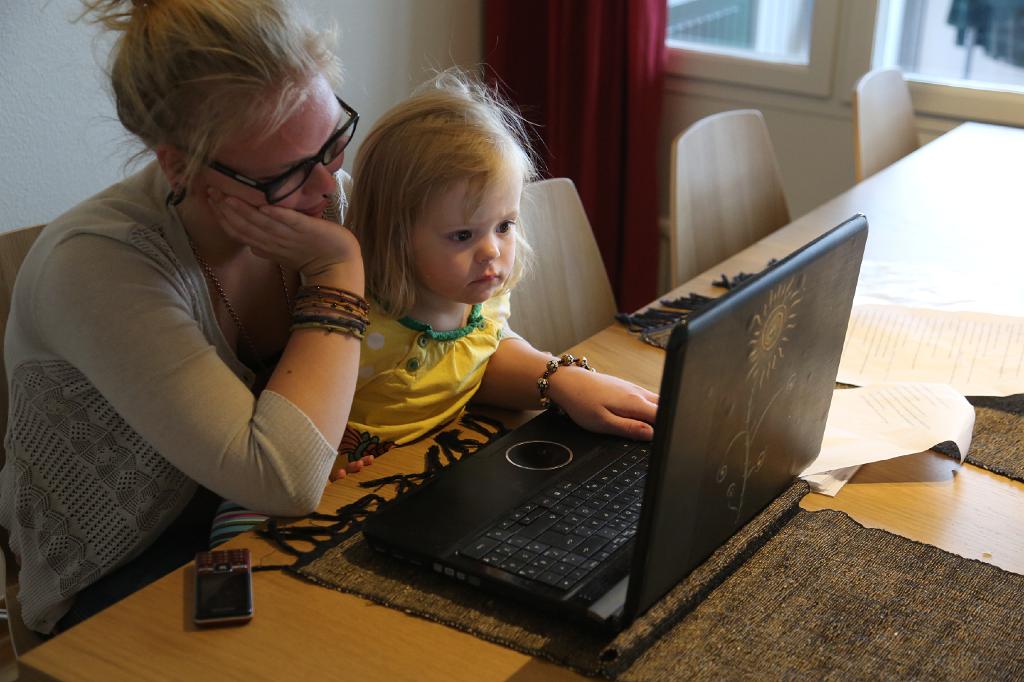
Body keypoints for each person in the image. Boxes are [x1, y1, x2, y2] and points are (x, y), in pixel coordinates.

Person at [0, 0, 372, 634]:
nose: (326, 185)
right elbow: (281, 479)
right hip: (124, 567)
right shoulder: (96, 264)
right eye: (286, 174)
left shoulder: (319, 202)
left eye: (333, 141)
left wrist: (545, 373)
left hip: (264, 521)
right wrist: (338, 273)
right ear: (179, 165)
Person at [340, 70, 659, 454]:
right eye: (463, 235)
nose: (491, 251)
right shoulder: (355, 325)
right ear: (394, 236)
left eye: (504, 225)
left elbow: (480, 357)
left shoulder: (483, 300)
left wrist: (565, 379)